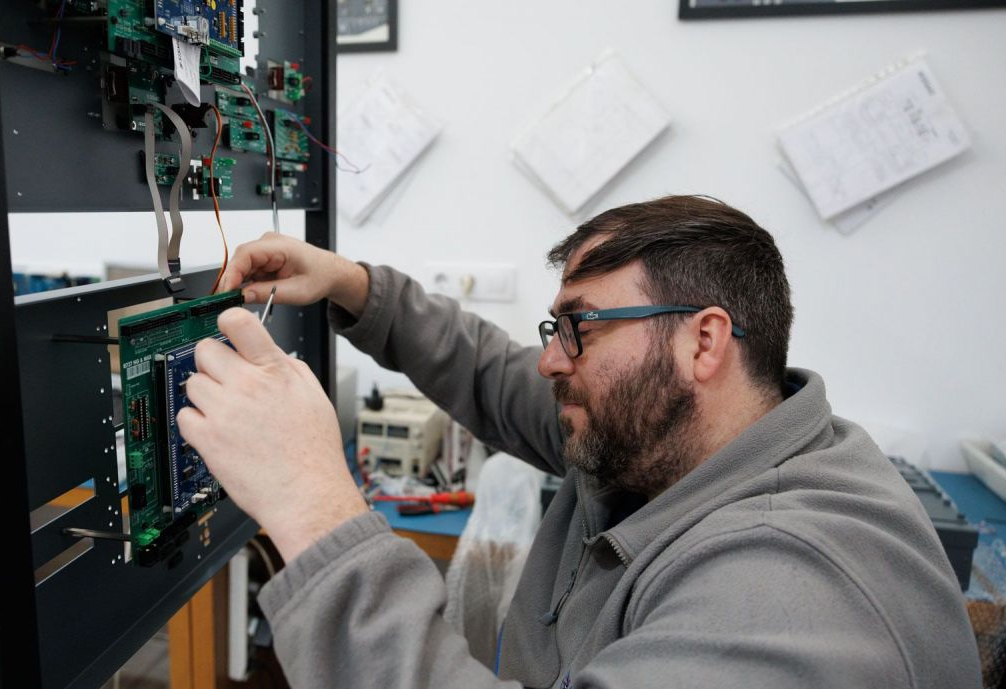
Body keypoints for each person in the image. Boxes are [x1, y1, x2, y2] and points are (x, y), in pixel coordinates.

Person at [176, 195, 980, 688]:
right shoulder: (668, 437)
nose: (551, 360)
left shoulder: (791, 593)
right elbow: (492, 372)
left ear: (703, 341)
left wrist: (313, 504)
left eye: (580, 328)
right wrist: (353, 285)